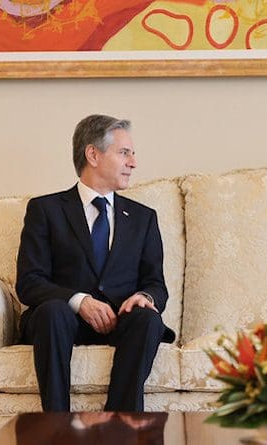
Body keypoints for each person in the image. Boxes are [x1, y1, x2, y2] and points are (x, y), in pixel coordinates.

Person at [16, 114, 175, 412]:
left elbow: (156, 284)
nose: (133, 162)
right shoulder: (46, 210)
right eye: (124, 152)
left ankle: (120, 424)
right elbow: (29, 282)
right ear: (93, 154)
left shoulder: (143, 218)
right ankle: (57, 425)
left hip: (120, 321)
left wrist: (144, 297)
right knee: (52, 311)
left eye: (132, 153)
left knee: (148, 319)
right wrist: (79, 301)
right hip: (63, 320)